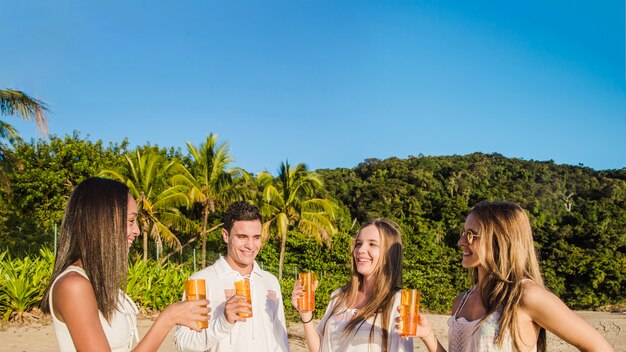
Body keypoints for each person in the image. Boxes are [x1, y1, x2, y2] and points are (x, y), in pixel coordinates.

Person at [413, 201, 613, 352]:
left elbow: (599, 347)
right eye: (464, 232)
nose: (461, 241)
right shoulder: (460, 303)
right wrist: (429, 336)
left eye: (471, 234)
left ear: (500, 240)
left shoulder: (525, 296)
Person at [41, 177, 210, 352]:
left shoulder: (96, 281)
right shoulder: (74, 285)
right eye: (130, 221)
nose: (137, 230)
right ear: (102, 222)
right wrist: (167, 319)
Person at [174, 201, 289, 352]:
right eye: (242, 237)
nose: (250, 245)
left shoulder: (270, 281)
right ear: (226, 236)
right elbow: (183, 343)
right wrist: (223, 321)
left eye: (256, 237)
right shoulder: (201, 281)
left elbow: (280, 340)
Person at [292, 218, 413, 352]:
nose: (361, 250)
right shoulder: (339, 296)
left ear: (389, 254)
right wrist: (305, 314)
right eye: (358, 243)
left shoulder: (398, 301)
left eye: (372, 244)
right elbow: (320, 349)